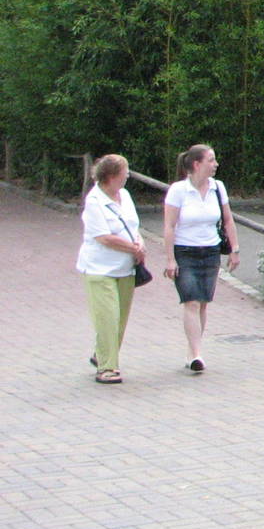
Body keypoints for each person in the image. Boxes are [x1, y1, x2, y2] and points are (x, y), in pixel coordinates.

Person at [162, 144, 240, 373]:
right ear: (197, 164)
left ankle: (191, 350)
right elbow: (169, 225)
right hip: (185, 251)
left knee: (203, 302)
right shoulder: (178, 190)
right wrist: (170, 259)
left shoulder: (218, 188)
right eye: (211, 160)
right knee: (191, 301)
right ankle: (197, 354)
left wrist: (234, 249)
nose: (215, 165)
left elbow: (227, 219)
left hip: (211, 251)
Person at [78, 154, 146, 384]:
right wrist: (133, 248)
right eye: (125, 171)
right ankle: (107, 368)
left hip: (125, 268)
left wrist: (139, 243)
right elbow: (103, 237)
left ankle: (102, 353)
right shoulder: (94, 201)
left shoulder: (125, 196)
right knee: (107, 317)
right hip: (99, 268)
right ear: (111, 175)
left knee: (120, 320)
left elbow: (133, 226)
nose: (128, 175)